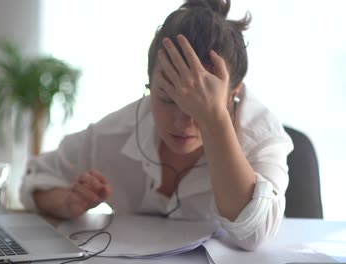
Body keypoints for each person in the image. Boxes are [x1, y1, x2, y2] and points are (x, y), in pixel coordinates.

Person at [20, 0, 293, 251]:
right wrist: (67, 202)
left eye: (199, 105)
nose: (181, 122)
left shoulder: (261, 134)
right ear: (149, 85)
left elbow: (255, 235)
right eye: (167, 98)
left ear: (235, 93)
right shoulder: (116, 132)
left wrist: (216, 121)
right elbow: (34, 182)